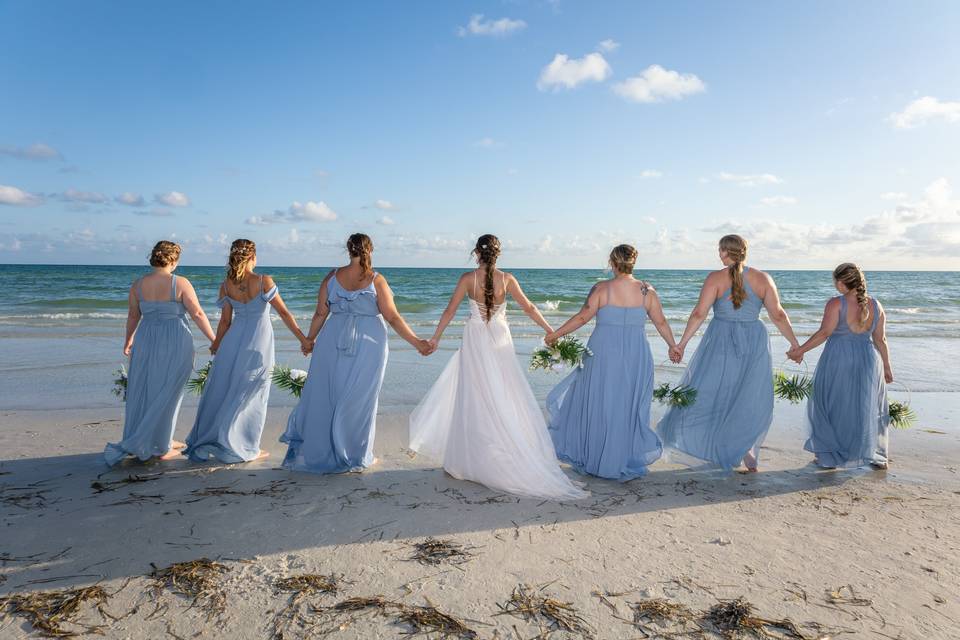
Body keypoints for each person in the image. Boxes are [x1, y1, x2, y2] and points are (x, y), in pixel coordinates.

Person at [409, 234, 588, 501]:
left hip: (476, 338)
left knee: (475, 395)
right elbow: (529, 307)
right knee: (503, 393)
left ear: (476, 253)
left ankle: (473, 459)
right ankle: (499, 452)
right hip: (500, 338)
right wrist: (551, 331)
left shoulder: (467, 279)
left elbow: (449, 310)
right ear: (498, 254)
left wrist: (435, 337)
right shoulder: (508, 279)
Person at [280, 233, 432, 474]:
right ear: (370, 250)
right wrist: (417, 342)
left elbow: (321, 313)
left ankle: (326, 451)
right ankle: (355, 454)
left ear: (348, 250)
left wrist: (309, 340)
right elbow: (392, 317)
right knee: (361, 399)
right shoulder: (376, 279)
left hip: (332, 339)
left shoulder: (331, 277)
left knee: (328, 394)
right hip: (369, 343)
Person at [657, 234, 800, 472]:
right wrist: (795, 344)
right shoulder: (763, 278)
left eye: (720, 250)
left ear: (726, 252)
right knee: (747, 394)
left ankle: (731, 445)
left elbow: (698, 314)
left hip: (721, 338)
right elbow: (778, 315)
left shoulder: (715, 278)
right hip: (753, 339)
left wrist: (681, 344)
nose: (718, 254)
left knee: (714, 390)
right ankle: (747, 450)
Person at [546, 244, 676, 480]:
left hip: (603, 352)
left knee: (600, 401)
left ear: (612, 263)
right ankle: (619, 458)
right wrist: (673, 345)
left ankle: (598, 458)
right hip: (636, 354)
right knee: (627, 405)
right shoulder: (647, 291)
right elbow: (662, 323)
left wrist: (556, 334)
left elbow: (582, 317)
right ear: (633, 262)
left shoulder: (601, 288)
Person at [185, 239, 310, 463]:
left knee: (228, 387)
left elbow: (225, 322)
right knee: (254, 389)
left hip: (233, 340)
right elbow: (284, 313)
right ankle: (244, 445)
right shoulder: (263, 281)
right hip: (258, 339)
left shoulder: (225, 285)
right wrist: (304, 339)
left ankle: (225, 438)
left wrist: (216, 344)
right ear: (253, 257)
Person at [105, 241, 216, 465]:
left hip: (146, 339)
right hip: (175, 339)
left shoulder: (137, 285)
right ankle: (161, 446)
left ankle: (157, 437)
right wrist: (215, 339)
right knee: (171, 388)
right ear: (174, 261)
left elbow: (133, 315)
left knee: (146, 388)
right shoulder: (180, 283)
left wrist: (128, 339)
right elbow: (197, 313)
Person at [788, 263, 892, 469]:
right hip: (868, 359)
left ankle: (829, 458)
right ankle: (870, 453)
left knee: (830, 404)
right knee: (863, 407)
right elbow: (881, 340)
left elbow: (824, 333)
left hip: (838, 358)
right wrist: (887, 367)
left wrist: (800, 351)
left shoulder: (836, 303)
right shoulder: (876, 305)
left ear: (841, 283)